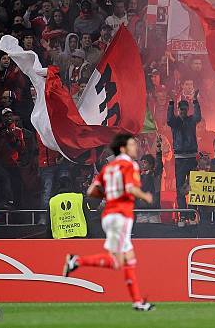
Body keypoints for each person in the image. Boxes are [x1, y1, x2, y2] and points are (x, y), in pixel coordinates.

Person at [63, 133, 154, 311]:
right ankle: (76, 261)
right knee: (120, 260)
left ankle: (137, 302)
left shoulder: (108, 168)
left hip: (112, 216)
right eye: (133, 146)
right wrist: (144, 196)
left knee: (127, 261)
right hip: (119, 217)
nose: (136, 148)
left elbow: (93, 191)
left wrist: (106, 199)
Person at [167, 89, 201, 221]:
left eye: (185, 109)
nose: (183, 111)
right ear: (178, 109)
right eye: (181, 109)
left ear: (188, 109)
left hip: (192, 157)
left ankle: (192, 213)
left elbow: (198, 116)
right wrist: (170, 102)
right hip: (180, 159)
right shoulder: (174, 122)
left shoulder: (192, 120)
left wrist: (195, 100)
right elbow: (169, 119)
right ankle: (182, 215)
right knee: (180, 188)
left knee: (194, 187)